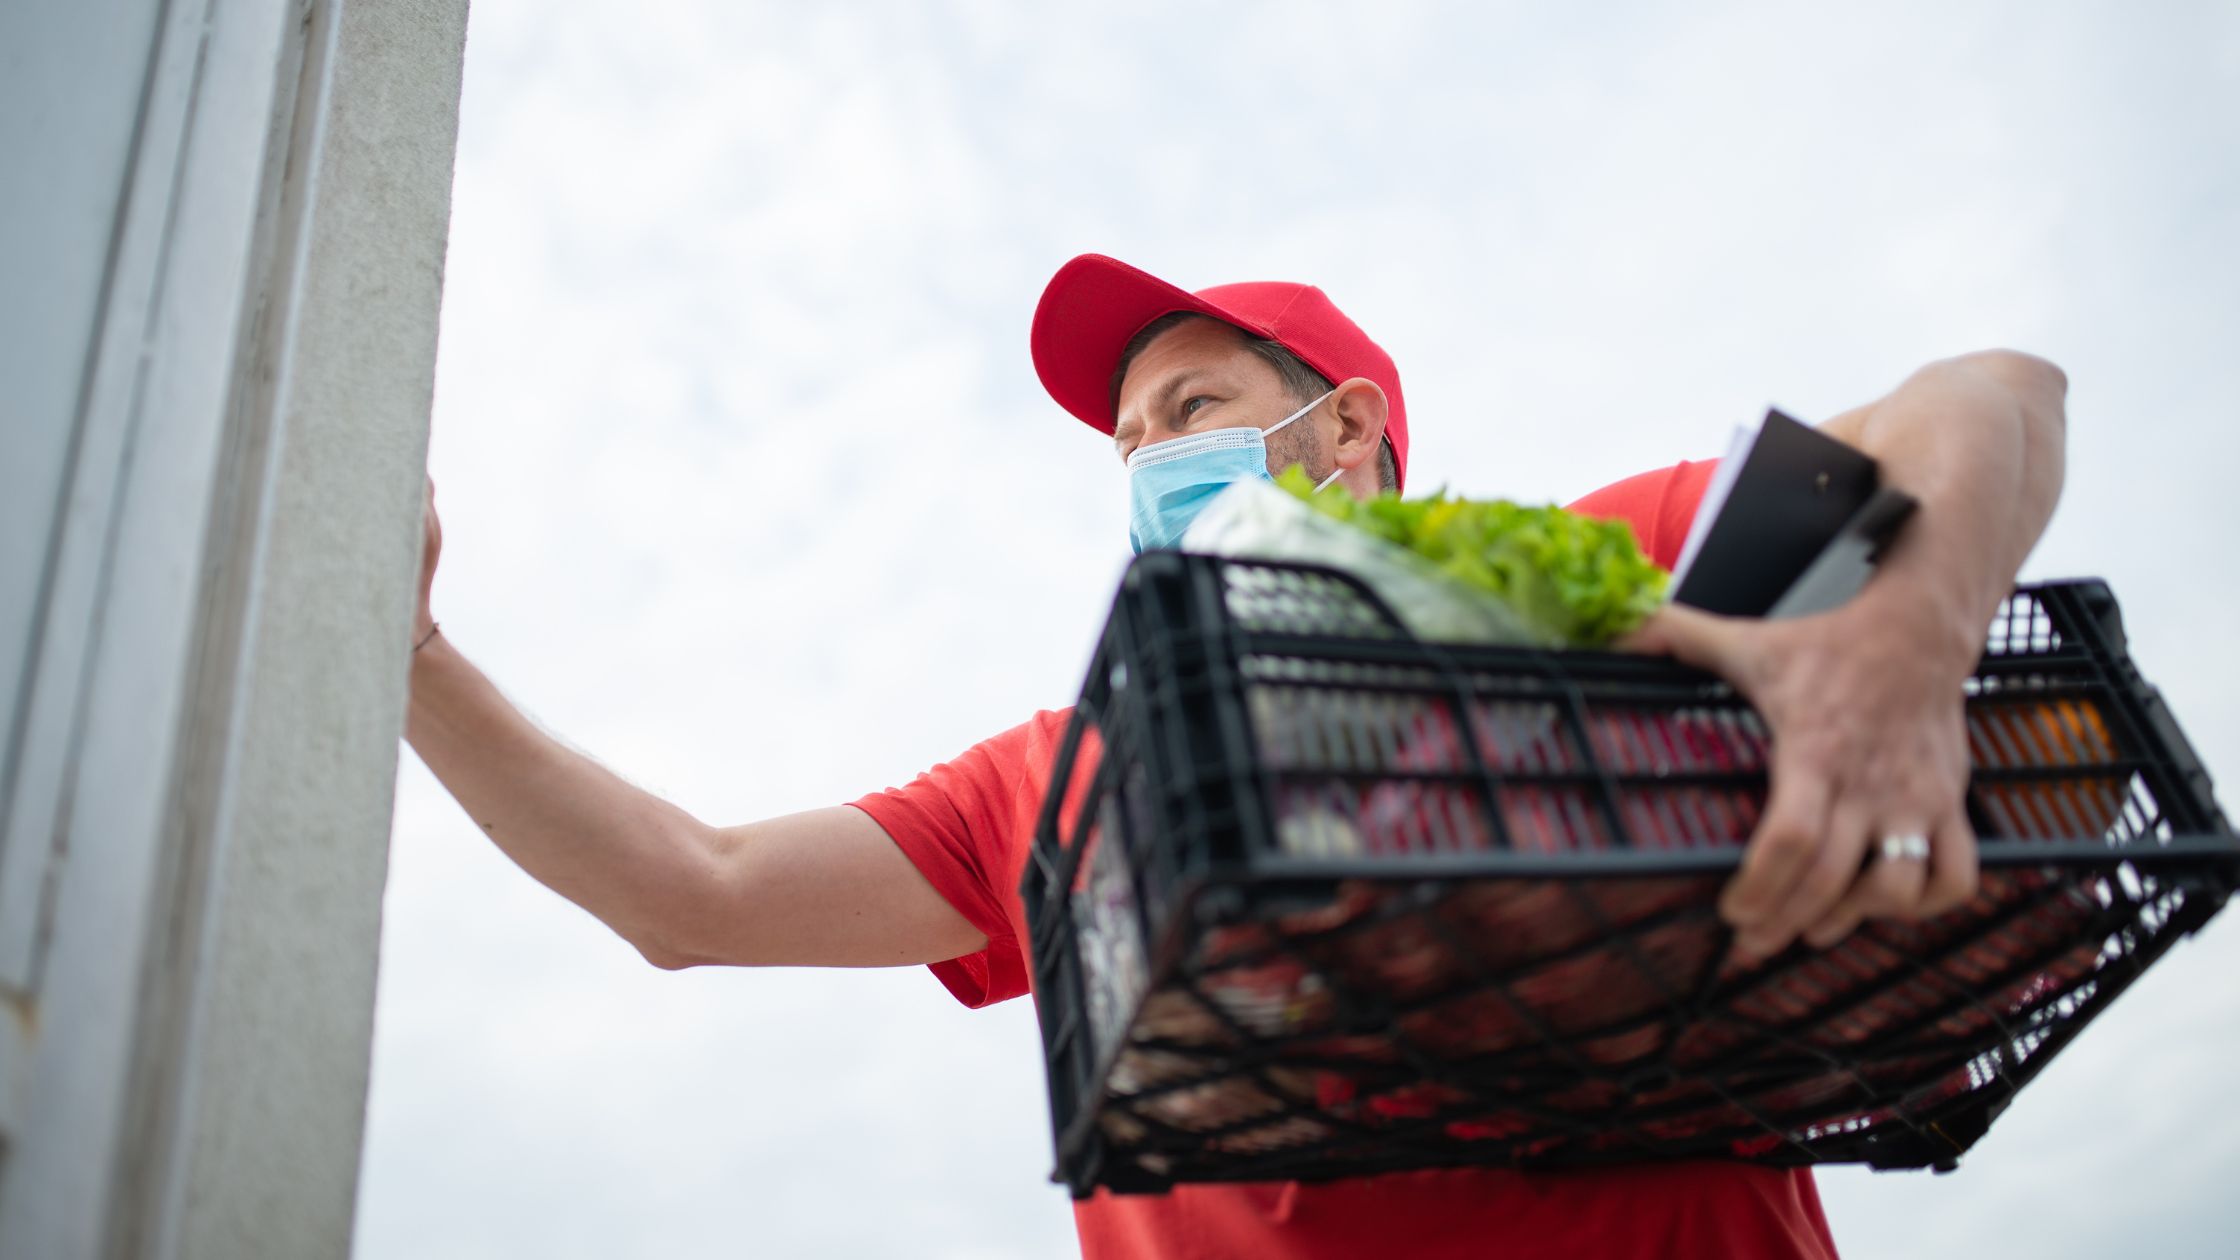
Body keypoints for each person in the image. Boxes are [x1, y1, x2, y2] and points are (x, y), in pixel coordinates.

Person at [405, 252, 2068, 1258]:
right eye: (1128, 441)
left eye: (1189, 407)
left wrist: (1901, 658)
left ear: (1341, 429)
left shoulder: (1569, 575)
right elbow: (688, 890)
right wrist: (408, 657)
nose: (1148, 462)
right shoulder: (1063, 780)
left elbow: (1995, 396)